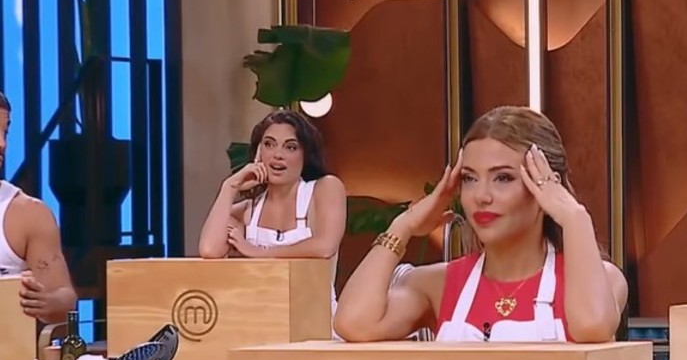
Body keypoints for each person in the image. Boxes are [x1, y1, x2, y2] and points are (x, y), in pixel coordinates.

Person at [333, 105, 626, 343]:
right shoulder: (439, 283)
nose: (481, 196)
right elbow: (353, 324)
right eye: (470, 178)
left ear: (545, 187)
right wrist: (404, 225)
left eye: (503, 178)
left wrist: (574, 217)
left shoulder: (603, 279)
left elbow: (592, 326)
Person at [197, 110, 347, 319]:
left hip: (314, 321)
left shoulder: (325, 188)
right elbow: (209, 249)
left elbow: (325, 246)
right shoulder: (248, 211)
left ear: (305, 154)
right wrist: (230, 187)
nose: (278, 155)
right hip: (260, 321)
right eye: (269, 144)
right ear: (258, 153)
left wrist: (259, 253)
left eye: (290, 147)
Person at [0, 91, 78, 324]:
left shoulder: (28, 214)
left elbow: (66, 300)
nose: (2, 144)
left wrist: (47, 302)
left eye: (5, 133)